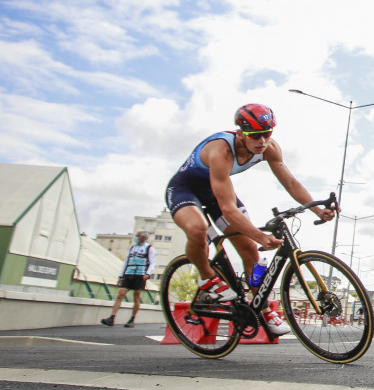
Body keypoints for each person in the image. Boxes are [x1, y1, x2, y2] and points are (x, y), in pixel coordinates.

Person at [165, 103, 334, 337]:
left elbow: (291, 183)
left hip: (217, 193)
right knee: (198, 229)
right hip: (186, 191)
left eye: (267, 133)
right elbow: (229, 209)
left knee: (250, 253)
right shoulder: (221, 151)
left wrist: (317, 209)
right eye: (255, 135)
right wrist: (261, 236)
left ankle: (263, 310)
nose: (261, 141)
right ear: (240, 133)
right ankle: (207, 279)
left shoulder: (269, 148)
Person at [100, 230, 156, 328]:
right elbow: (126, 262)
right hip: (129, 273)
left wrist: (148, 273)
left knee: (136, 296)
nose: (136, 237)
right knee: (120, 294)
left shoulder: (149, 248)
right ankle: (112, 318)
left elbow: (152, 262)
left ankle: (132, 319)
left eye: (137, 236)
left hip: (140, 274)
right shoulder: (132, 248)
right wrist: (121, 276)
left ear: (143, 237)